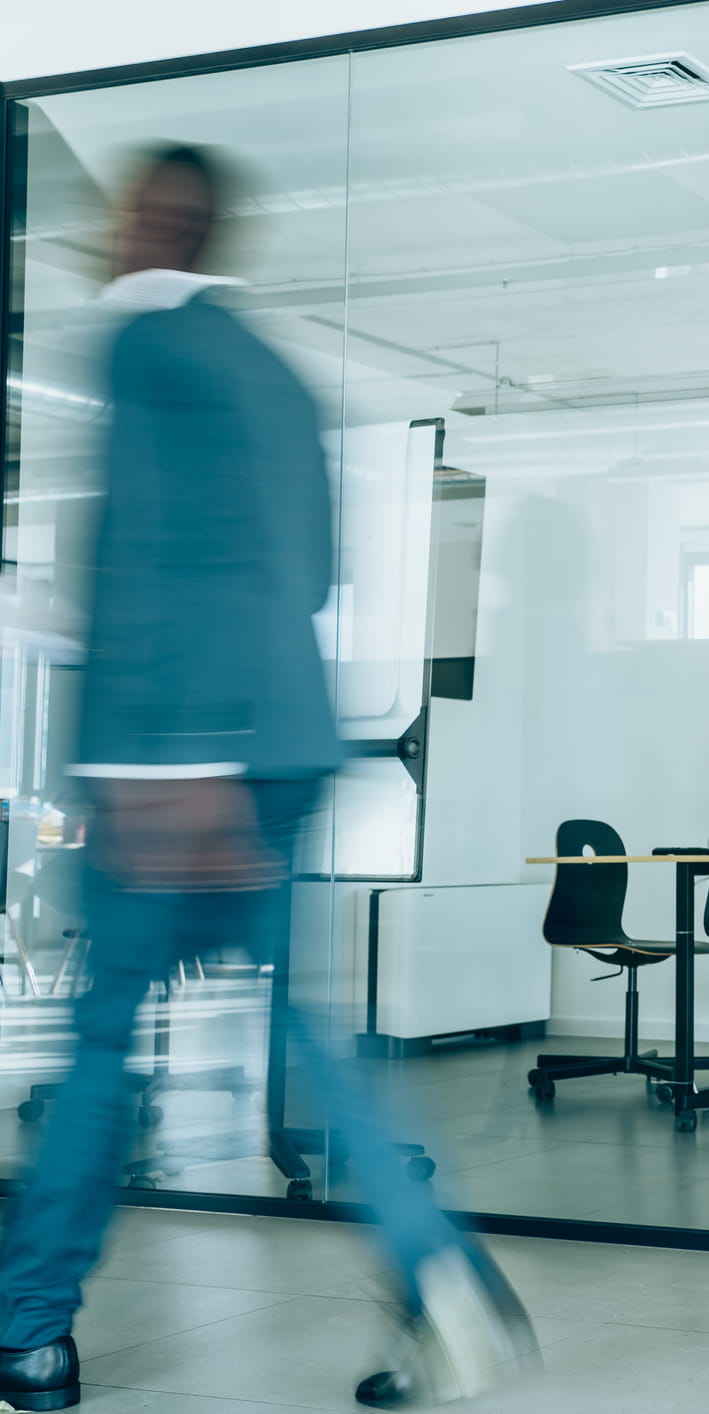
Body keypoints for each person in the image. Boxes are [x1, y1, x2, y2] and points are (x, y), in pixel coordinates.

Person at [0, 145, 535, 1413]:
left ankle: (29, 1330)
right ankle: (440, 1273)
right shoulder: (277, 376)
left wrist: (172, 764)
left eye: (123, 213)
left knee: (100, 1045)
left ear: (157, 224)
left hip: (174, 765)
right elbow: (302, 569)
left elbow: (167, 560)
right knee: (306, 1031)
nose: (107, 234)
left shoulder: (146, 345)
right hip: (277, 744)